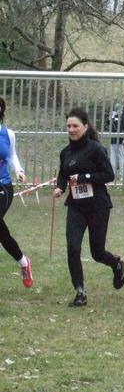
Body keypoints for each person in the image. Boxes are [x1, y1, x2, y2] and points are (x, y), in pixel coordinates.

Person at [53, 108, 124, 307]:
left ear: (85, 127)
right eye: (68, 126)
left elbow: (109, 175)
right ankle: (80, 291)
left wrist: (85, 177)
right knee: (72, 247)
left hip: (98, 206)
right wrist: (60, 188)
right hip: (76, 207)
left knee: (97, 252)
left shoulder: (95, 149)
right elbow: (63, 175)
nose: (71, 129)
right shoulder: (65, 153)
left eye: (75, 126)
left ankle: (116, 264)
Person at [0, 97, 33, 288]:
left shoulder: (8, 134)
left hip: (3, 187)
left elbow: (11, 155)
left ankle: (24, 262)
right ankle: (23, 262)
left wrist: (19, 171)